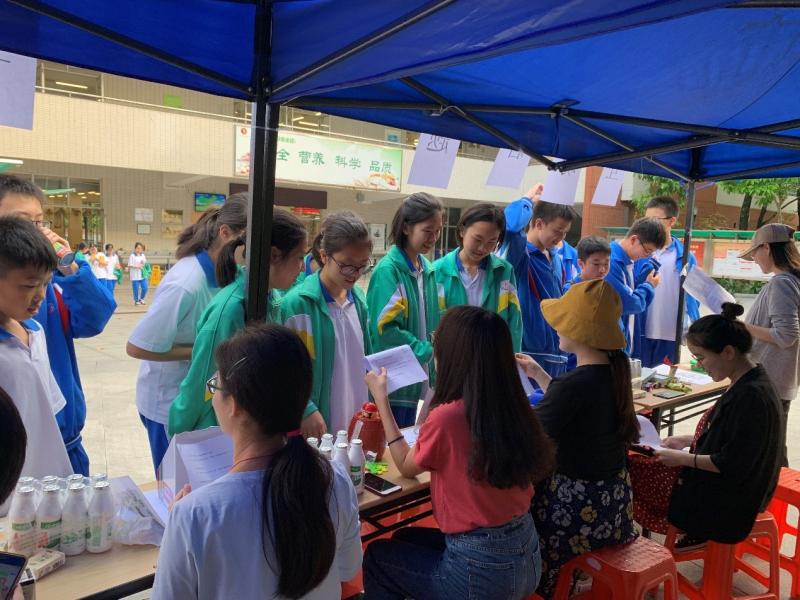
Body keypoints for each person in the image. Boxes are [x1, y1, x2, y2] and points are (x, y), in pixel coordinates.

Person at [152, 323, 361, 599]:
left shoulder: (194, 515)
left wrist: (176, 533)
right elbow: (347, 569)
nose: (213, 397)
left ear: (235, 404)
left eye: (215, 386)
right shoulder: (335, 479)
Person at [363, 306, 555, 600]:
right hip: (526, 554)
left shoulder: (448, 417)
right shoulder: (514, 402)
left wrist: (381, 398)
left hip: (481, 571)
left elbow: (405, 464)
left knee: (377, 557)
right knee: (404, 537)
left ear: (453, 354)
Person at [517, 280, 639, 598]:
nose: (556, 328)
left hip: (575, 509)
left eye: (563, 322)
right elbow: (575, 408)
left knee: (514, 513)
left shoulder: (574, 385)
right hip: (614, 504)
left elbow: (528, 436)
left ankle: (547, 587)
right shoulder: (613, 373)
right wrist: (540, 376)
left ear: (579, 331)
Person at [0, 175, 116, 475]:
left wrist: (68, 267)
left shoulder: (49, 283)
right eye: (23, 222)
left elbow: (94, 319)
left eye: (40, 222)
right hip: (16, 456)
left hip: (66, 441)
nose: (37, 232)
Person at [127, 194, 247, 472]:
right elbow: (137, 346)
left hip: (200, 398)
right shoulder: (185, 283)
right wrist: (202, 350)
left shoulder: (228, 274)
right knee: (176, 484)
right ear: (225, 233)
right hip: (168, 404)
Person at [654, 303, 783, 546]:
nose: (699, 364)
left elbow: (731, 463)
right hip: (734, 486)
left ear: (728, 352)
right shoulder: (749, 379)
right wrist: (686, 440)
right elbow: (734, 437)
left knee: (643, 476)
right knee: (648, 463)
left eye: (701, 357)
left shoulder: (751, 396)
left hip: (731, 504)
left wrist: (682, 458)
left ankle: (686, 534)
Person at [169, 209, 307, 435]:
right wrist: (179, 432)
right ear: (274, 255)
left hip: (252, 429)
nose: (303, 267)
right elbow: (202, 380)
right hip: (218, 432)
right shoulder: (230, 311)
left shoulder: (272, 300)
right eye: (299, 257)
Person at [0, 216, 72, 516]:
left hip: (49, 486)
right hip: (8, 497)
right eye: (29, 285)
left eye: (46, 282)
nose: (40, 295)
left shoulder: (34, 332)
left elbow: (48, 410)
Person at [282, 211, 373, 438]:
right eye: (347, 265)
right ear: (324, 256)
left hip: (356, 418)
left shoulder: (359, 301)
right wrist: (306, 408)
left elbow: (366, 361)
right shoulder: (297, 304)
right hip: (316, 425)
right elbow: (284, 370)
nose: (354, 274)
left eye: (362, 265)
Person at [367, 193, 443, 427]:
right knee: (392, 444)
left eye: (438, 231)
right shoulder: (388, 270)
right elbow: (385, 330)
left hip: (420, 378)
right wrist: (426, 350)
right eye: (427, 230)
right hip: (395, 384)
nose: (433, 238)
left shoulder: (427, 269)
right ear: (406, 227)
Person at [739, 222, 800, 467]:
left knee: (766, 453)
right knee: (772, 448)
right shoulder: (791, 280)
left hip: (769, 380)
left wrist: (743, 327)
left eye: (754, 252)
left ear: (766, 247)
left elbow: (786, 335)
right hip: (779, 380)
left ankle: (776, 490)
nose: (754, 259)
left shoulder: (781, 282)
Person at [501, 183, 575, 378]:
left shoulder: (556, 257)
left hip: (559, 355)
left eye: (565, 232)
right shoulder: (520, 254)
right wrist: (526, 200)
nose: (561, 237)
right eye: (557, 230)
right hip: (530, 357)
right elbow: (510, 226)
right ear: (539, 223)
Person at [434, 203, 522, 351]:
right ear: (462, 231)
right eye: (477, 239)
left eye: (491, 242)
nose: (482, 248)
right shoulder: (437, 271)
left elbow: (515, 321)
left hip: (492, 356)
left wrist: (512, 358)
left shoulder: (504, 271)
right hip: (452, 356)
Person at [634, 196, 700, 367]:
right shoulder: (639, 253)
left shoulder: (685, 256)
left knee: (663, 381)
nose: (649, 225)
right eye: (646, 220)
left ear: (672, 221)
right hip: (640, 331)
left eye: (655, 220)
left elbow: (694, 297)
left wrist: (691, 326)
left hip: (669, 333)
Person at [606, 217, 665, 354]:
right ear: (633, 239)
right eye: (647, 251)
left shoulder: (626, 261)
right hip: (609, 344)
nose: (647, 256)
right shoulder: (611, 262)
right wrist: (649, 286)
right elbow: (629, 303)